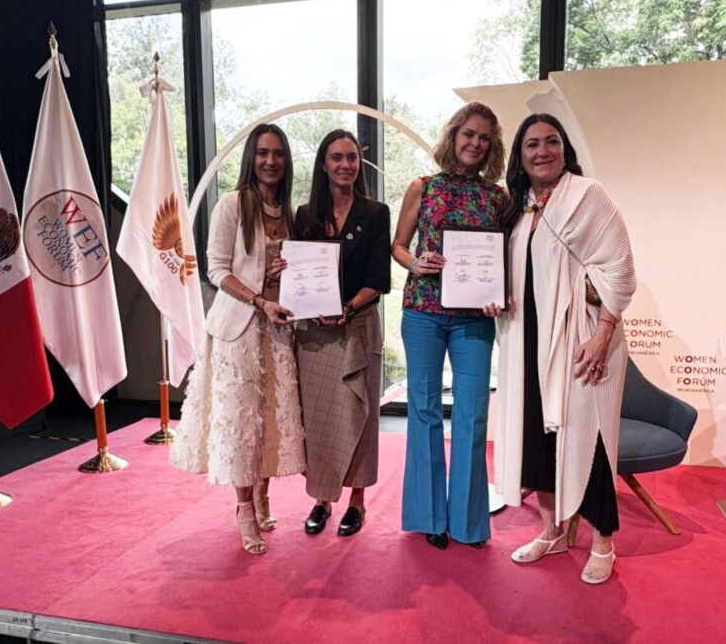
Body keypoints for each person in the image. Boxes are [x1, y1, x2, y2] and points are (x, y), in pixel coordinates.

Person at [487, 113, 635, 584]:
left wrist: (603, 332)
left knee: (587, 438)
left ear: (564, 149)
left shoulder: (588, 195)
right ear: (520, 155)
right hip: (526, 343)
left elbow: (620, 268)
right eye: (532, 144)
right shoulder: (518, 207)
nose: (542, 151)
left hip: (582, 342)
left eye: (551, 142)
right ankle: (551, 530)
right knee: (538, 436)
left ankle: (603, 542)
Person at [170, 123, 306, 556]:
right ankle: (244, 509)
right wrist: (257, 298)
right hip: (239, 329)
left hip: (279, 330)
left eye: (278, 154)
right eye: (263, 153)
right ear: (252, 158)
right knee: (243, 423)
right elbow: (216, 269)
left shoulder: (288, 211)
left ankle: (263, 495)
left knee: (269, 417)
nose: (270, 161)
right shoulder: (231, 204)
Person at [393, 101, 507, 550]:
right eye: (468, 134)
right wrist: (416, 262)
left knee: (472, 415)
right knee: (423, 412)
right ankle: (430, 518)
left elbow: (504, 259)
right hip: (422, 311)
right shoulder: (422, 187)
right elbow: (399, 246)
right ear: (453, 136)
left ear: (491, 145)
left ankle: (468, 522)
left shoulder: (498, 198)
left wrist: (501, 294)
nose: (475, 143)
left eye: (484, 137)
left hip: (474, 320)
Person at [293, 129, 391, 537]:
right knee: (320, 420)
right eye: (337, 158)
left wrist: (347, 307)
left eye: (351, 157)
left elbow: (379, 278)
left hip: (358, 326)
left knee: (360, 415)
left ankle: (356, 501)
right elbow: (299, 276)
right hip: (314, 335)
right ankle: (322, 498)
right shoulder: (304, 215)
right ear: (323, 164)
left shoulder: (375, 212)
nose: (345, 165)